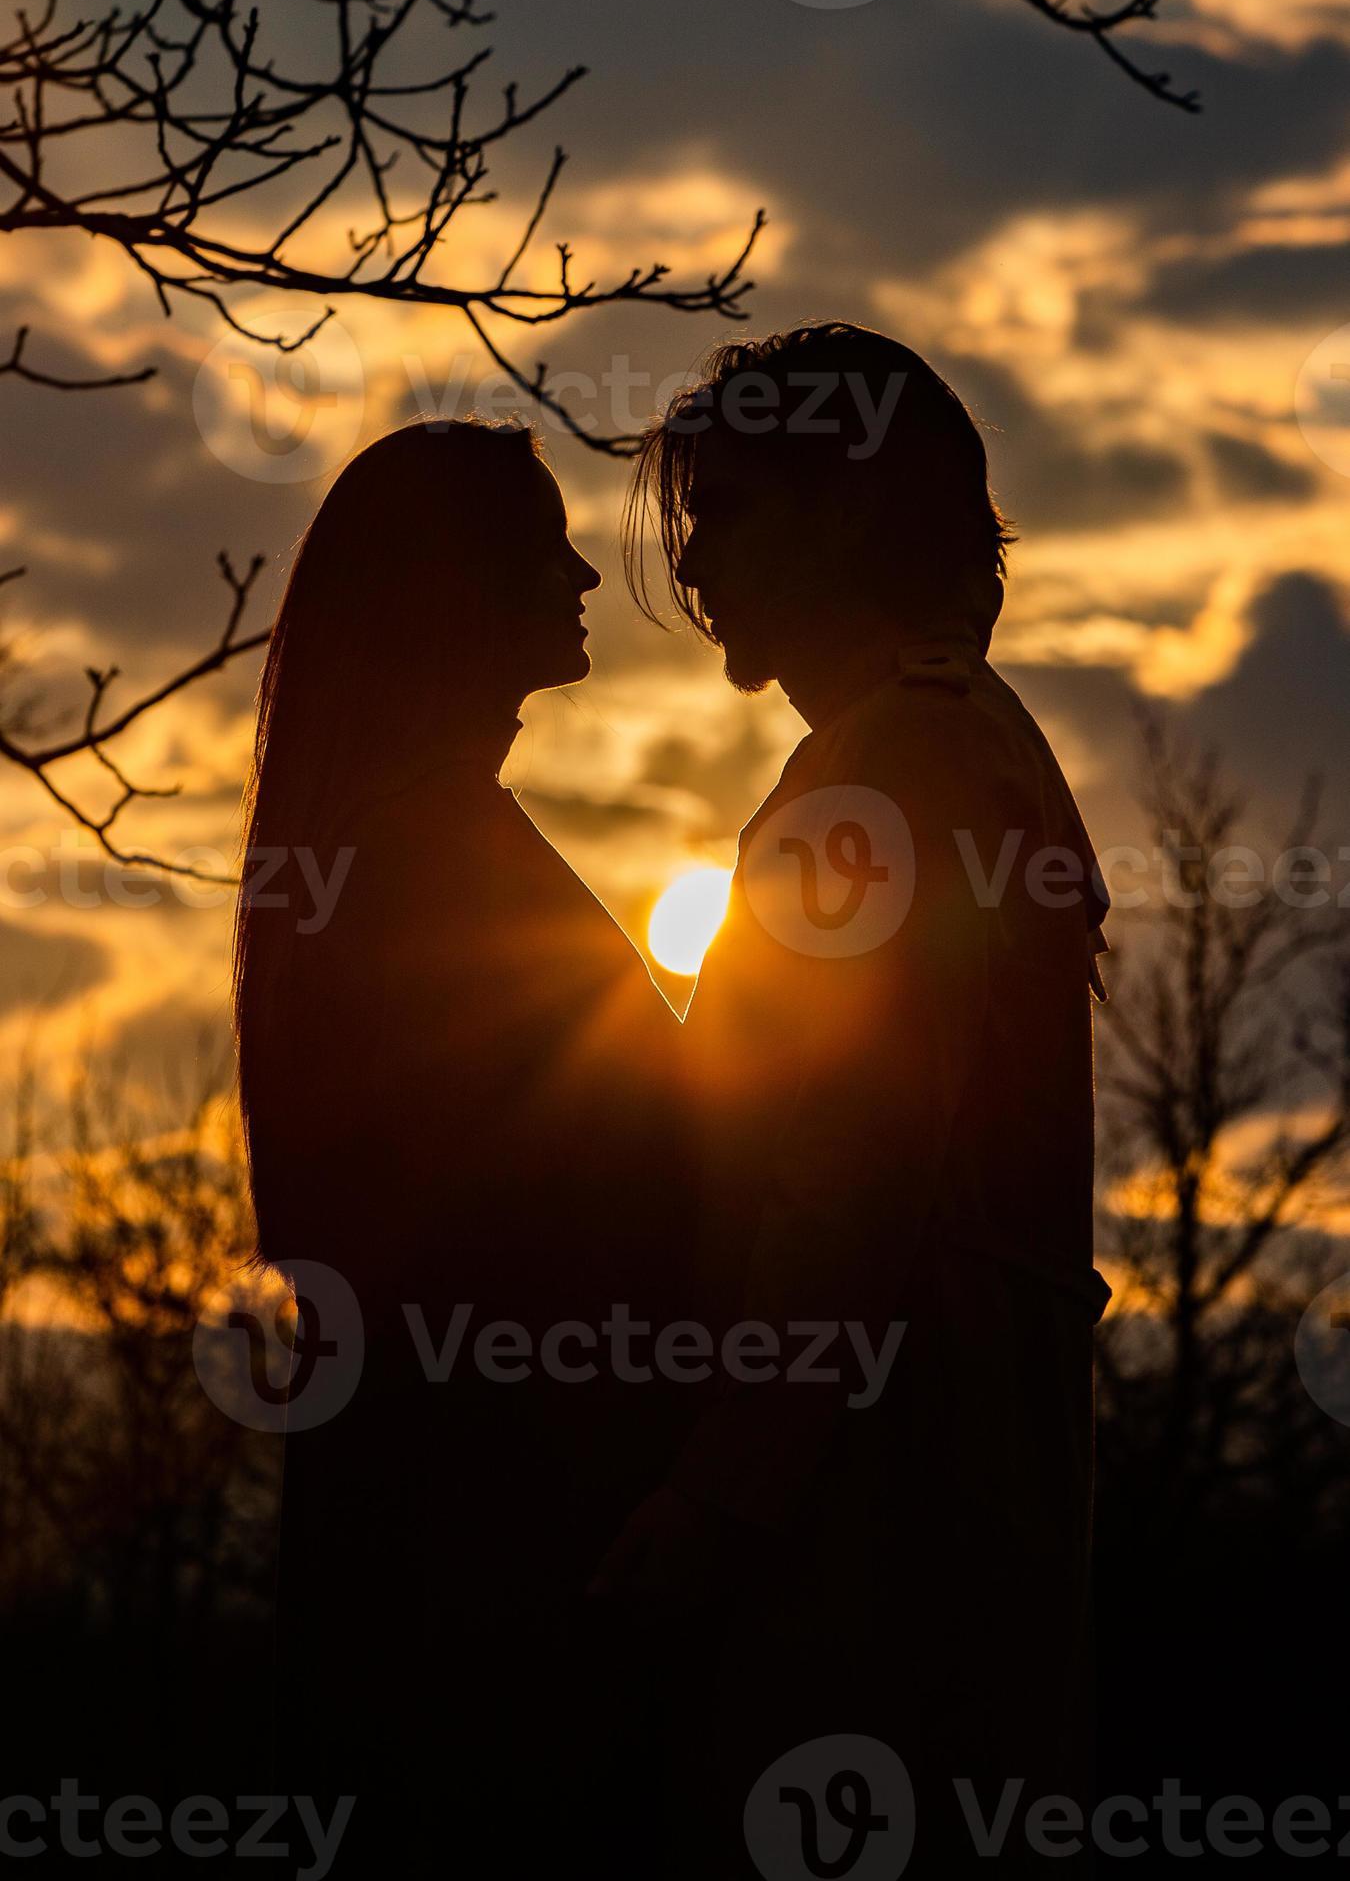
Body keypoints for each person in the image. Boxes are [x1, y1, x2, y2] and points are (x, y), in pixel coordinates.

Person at [604, 323, 1113, 1873]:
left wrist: (715, 1500)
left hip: (877, 1502)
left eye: (736, 509)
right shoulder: (949, 734)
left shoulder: (892, 762)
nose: (696, 563)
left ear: (848, 514)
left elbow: (854, 1164)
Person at [233, 420, 684, 1874]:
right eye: (536, 543)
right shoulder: (424, 860)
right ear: (450, 585)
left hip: (453, 1523)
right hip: (485, 1546)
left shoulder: (410, 841)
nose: (579, 575)